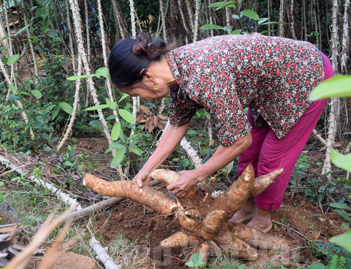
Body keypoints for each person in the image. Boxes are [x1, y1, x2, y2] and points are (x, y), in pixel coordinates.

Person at [108, 32, 333, 233]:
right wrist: (147, 169)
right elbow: (177, 124)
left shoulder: (204, 76)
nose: (140, 99)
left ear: (148, 78)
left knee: (272, 157)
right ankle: (246, 209)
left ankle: (263, 218)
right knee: (250, 155)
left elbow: (238, 141)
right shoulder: (176, 72)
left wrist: (196, 175)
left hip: (305, 76)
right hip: (271, 89)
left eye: (135, 94)